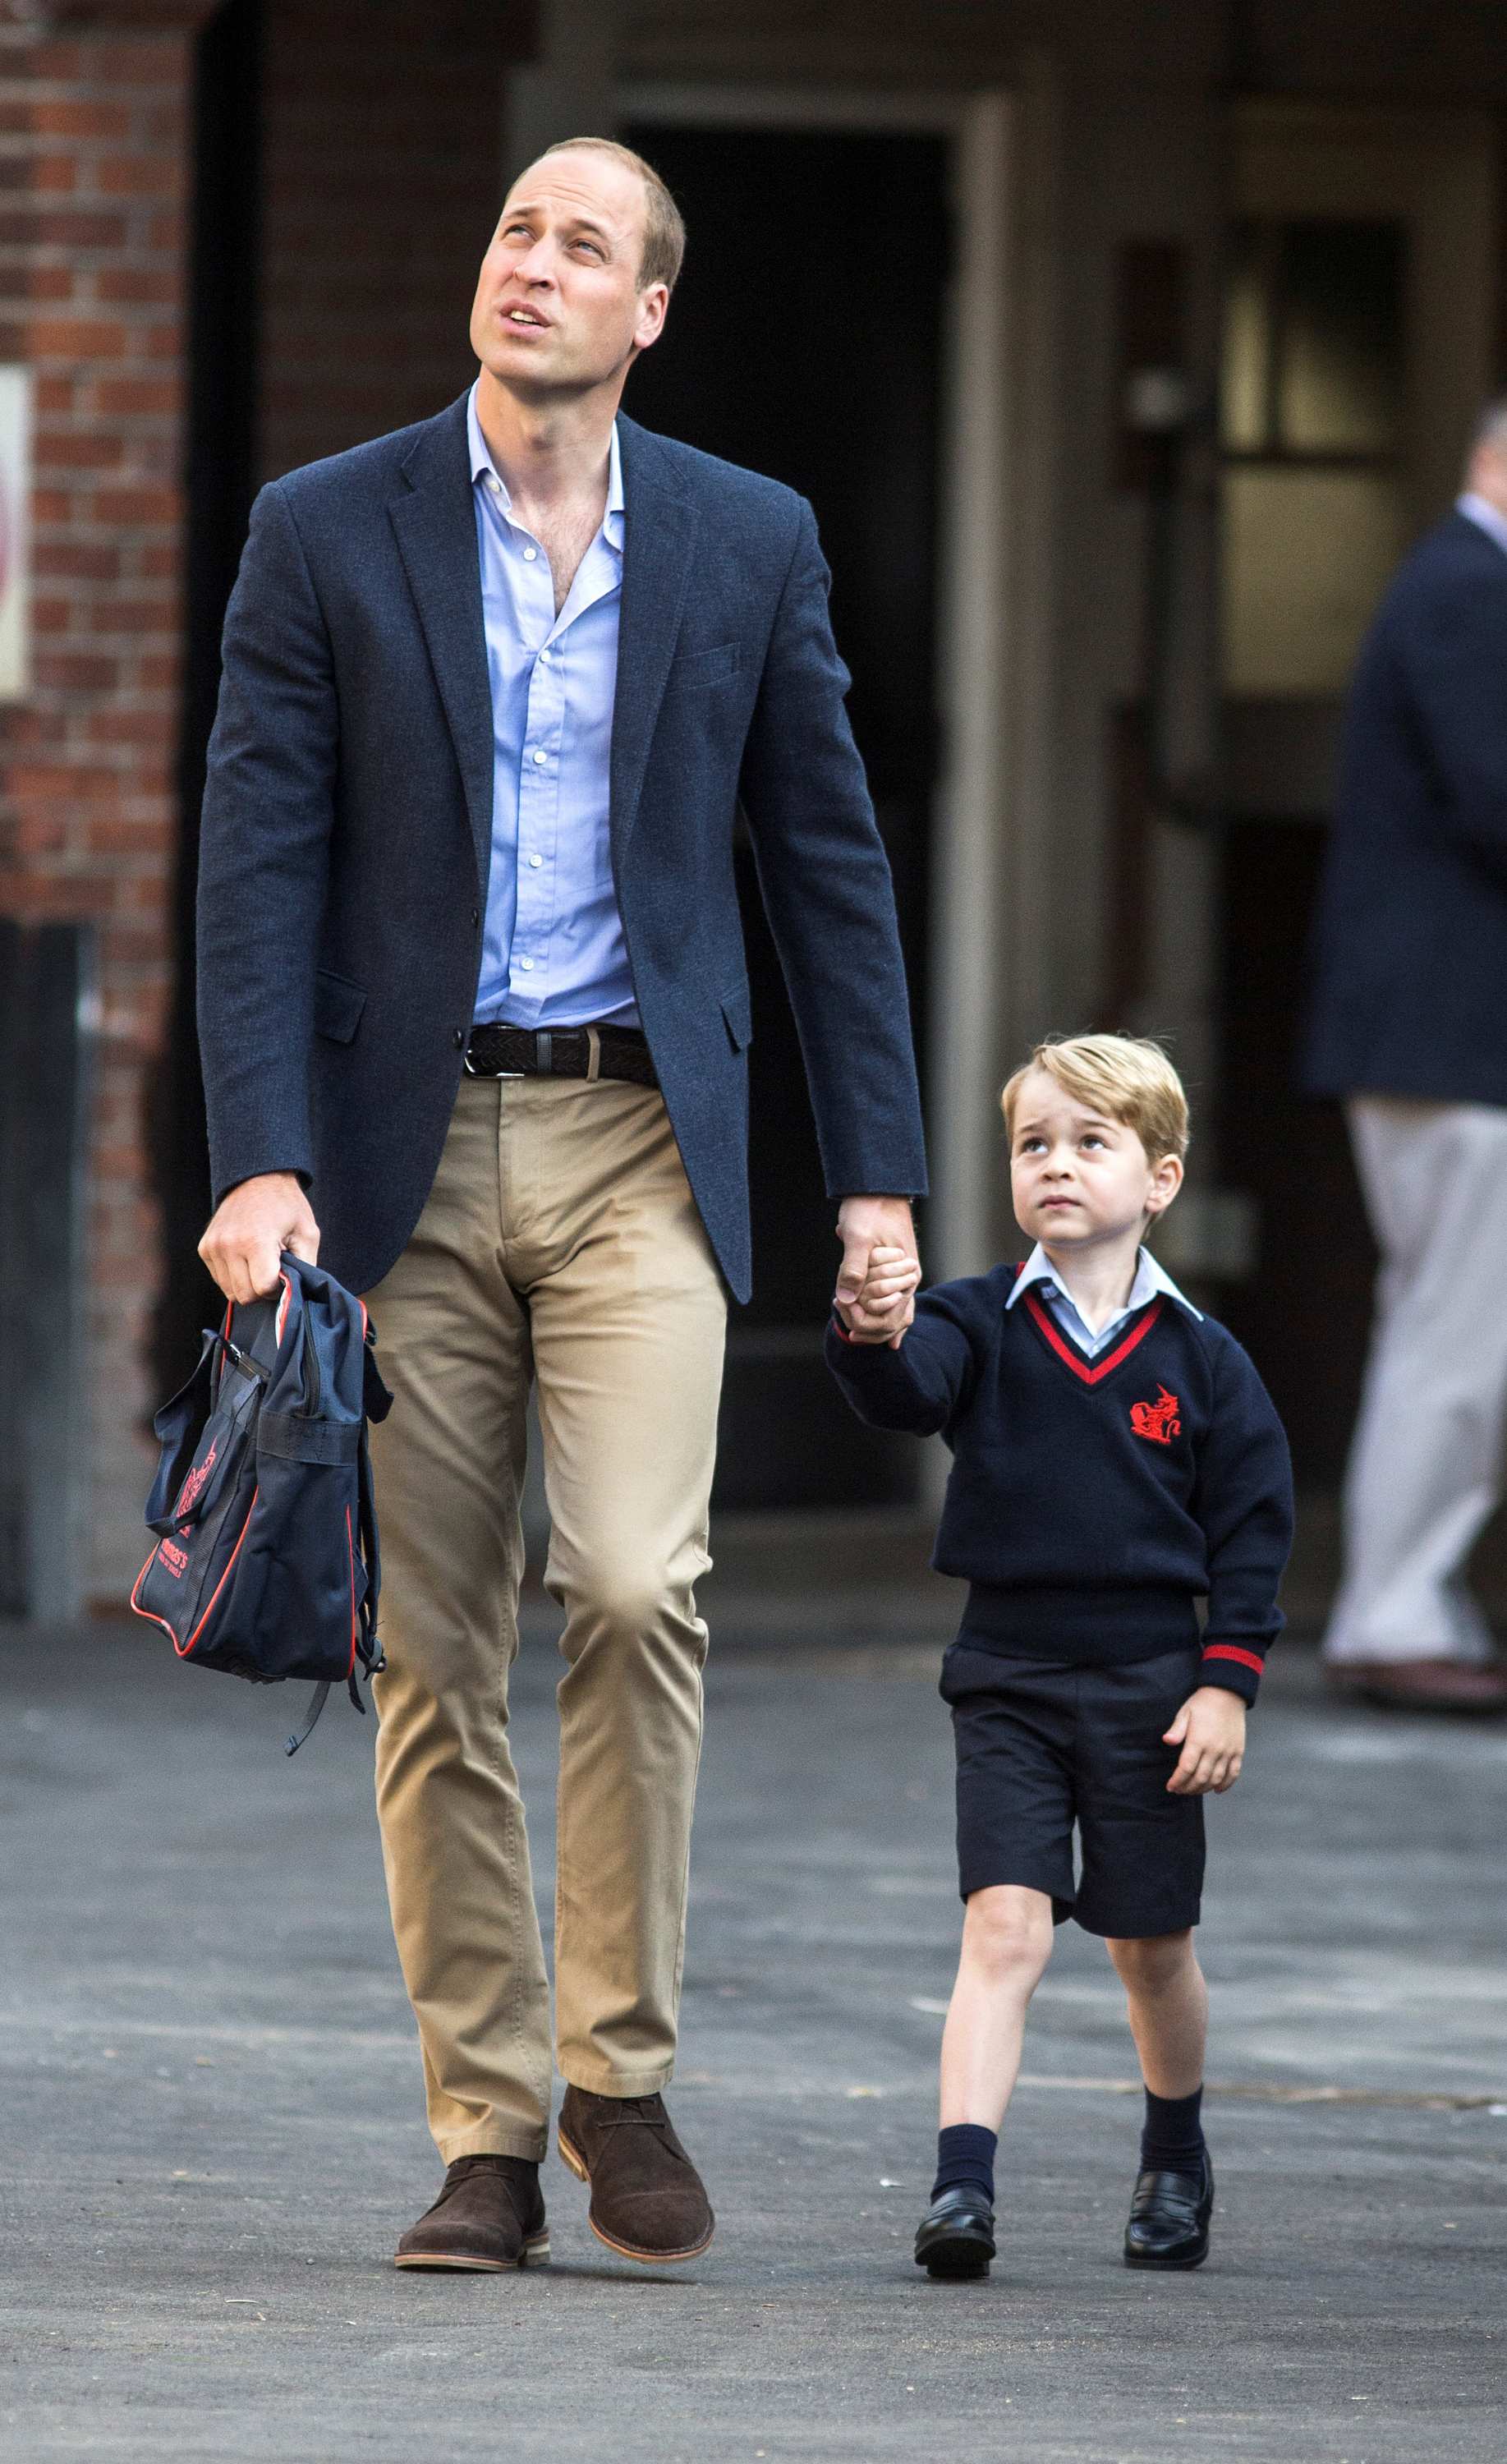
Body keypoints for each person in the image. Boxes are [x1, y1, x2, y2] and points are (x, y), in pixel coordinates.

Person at [194, 137, 926, 2273]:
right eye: (513, 226)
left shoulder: (748, 541)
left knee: (629, 1585)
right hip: (394, 1156)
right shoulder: (324, 531)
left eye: (580, 246)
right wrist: (258, 1158)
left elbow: (828, 871)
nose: (531, 264)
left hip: (635, 1145)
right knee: (432, 1653)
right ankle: (490, 2131)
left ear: (649, 314)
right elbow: (257, 864)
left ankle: (620, 2067)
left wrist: (875, 1178)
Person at [827, 1035, 1292, 2279]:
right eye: (1034, 1143)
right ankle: (961, 2189)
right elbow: (909, 1388)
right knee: (1005, 1930)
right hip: (1009, 1679)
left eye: (1093, 1143)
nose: (1058, 1166)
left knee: (1151, 1948)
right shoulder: (978, 1319)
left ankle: (1176, 2154)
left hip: (1153, 1689)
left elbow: (1253, 1532)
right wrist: (873, 1328)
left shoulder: (1205, 1361)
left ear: (1163, 1180)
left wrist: (1226, 1681)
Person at [1304, 401, 1507, 1715]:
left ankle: (1408, 1599)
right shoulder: (1466, 589)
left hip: (1440, 1030)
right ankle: (1391, 1613)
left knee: (1449, 1323)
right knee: (1462, 1333)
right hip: (1452, 1033)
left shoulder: (1457, 584)